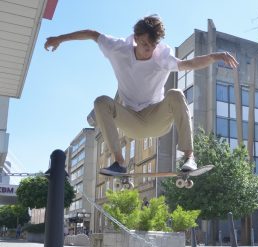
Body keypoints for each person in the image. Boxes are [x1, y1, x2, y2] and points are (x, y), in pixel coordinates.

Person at [44, 15, 238, 175]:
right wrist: (59, 38)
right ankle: (119, 163)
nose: (149, 50)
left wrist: (215, 56)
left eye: (153, 46)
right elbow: (92, 34)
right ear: (136, 38)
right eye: (145, 44)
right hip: (131, 121)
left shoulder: (162, 56)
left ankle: (189, 157)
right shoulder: (117, 48)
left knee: (176, 94)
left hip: (156, 118)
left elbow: (188, 64)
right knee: (101, 101)